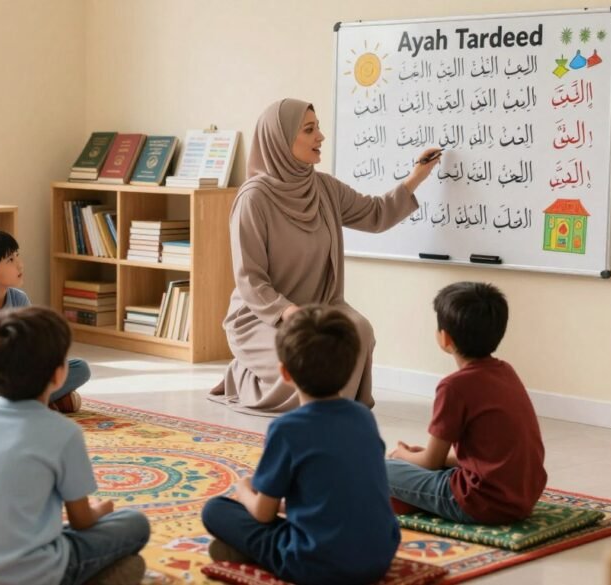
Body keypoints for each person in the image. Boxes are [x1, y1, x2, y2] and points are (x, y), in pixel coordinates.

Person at [213, 98, 441, 414]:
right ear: (280, 140)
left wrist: (417, 176)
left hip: (319, 309)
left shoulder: (324, 188)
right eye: (309, 129)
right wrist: (291, 314)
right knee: (304, 366)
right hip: (263, 316)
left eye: (318, 127)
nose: (320, 136)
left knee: (358, 330)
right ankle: (244, 375)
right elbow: (249, 279)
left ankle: (336, 412)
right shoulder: (254, 199)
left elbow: (376, 214)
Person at [0, 306, 150, 585]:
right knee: (134, 523)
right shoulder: (63, 432)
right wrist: (104, 508)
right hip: (28, 572)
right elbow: (82, 521)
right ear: (59, 375)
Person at [202, 305, 399, 583]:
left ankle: (248, 551)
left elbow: (262, 512)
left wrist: (243, 489)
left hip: (317, 565)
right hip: (380, 555)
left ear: (285, 373)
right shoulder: (363, 417)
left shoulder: (287, 429)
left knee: (215, 509)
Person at [387, 282, 546, 524]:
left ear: (444, 337)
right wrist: (429, 457)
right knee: (418, 470)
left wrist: (403, 455)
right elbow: (494, 456)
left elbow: (431, 462)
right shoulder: (506, 371)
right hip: (523, 498)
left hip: (481, 503)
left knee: (380, 468)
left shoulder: (454, 387)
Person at [0, 228, 90, 412]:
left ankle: (6, 405)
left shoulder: (20, 299)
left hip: (17, 377)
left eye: (17, 255)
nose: (20, 264)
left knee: (79, 368)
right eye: (10, 260)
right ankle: (40, 401)